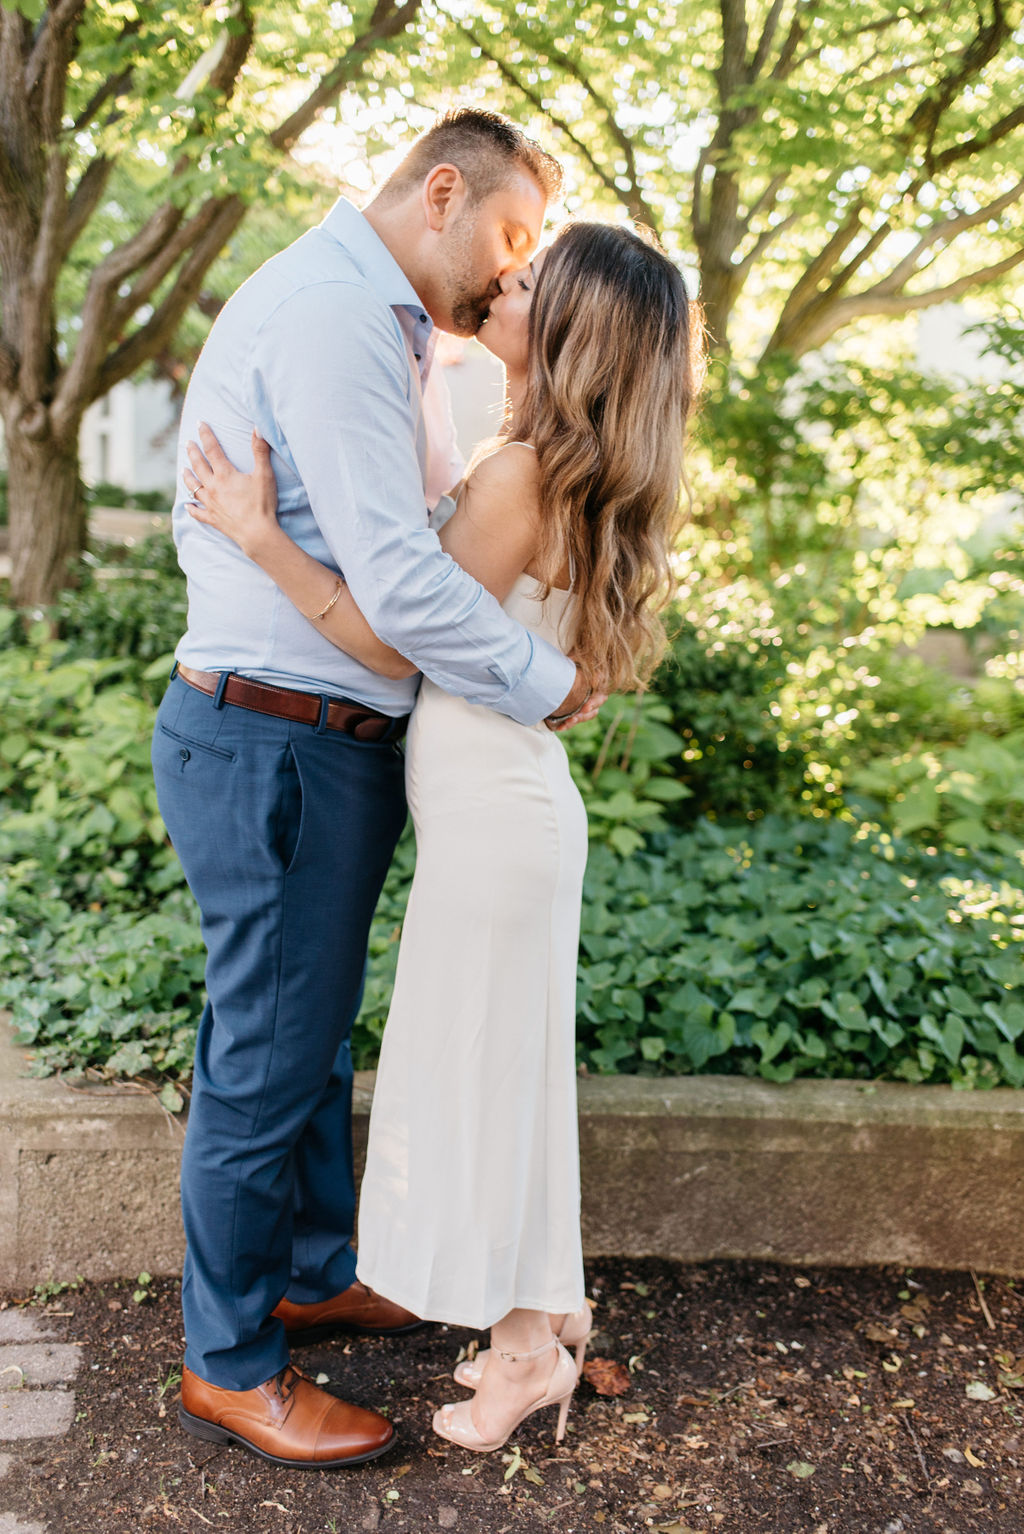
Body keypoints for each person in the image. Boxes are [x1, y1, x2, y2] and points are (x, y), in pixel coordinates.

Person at [180, 218, 703, 1453]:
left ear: (567, 328)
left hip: (492, 819)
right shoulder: (559, 464)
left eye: (528, 282)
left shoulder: (524, 474)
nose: (498, 282)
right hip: (506, 809)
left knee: (482, 1081)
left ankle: (525, 1350)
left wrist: (259, 537)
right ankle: (545, 1320)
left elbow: (388, 637)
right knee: (502, 1075)